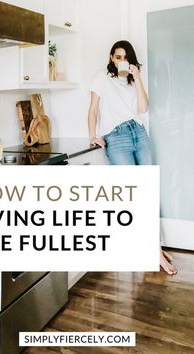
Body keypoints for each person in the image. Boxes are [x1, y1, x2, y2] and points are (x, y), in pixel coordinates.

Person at [88, 40, 177, 275]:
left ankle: (153, 248)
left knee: (148, 193)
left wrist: (137, 77)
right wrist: (92, 135)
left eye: (125, 57)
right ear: (111, 57)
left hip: (138, 132)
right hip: (116, 138)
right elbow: (93, 108)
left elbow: (144, 107)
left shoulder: (131, 79)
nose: (121, 61)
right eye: (117, 57)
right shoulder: (102, 77)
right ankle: (152, 251)